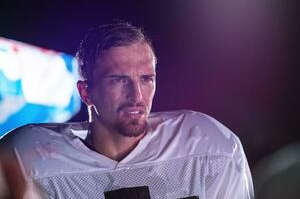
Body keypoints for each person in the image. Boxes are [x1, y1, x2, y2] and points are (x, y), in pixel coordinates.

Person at [0, 22, 254, 199]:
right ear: (86, 93)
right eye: (118, 80)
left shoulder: (211, 146)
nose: (136, 96)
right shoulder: (27, 157)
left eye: (146, 79)